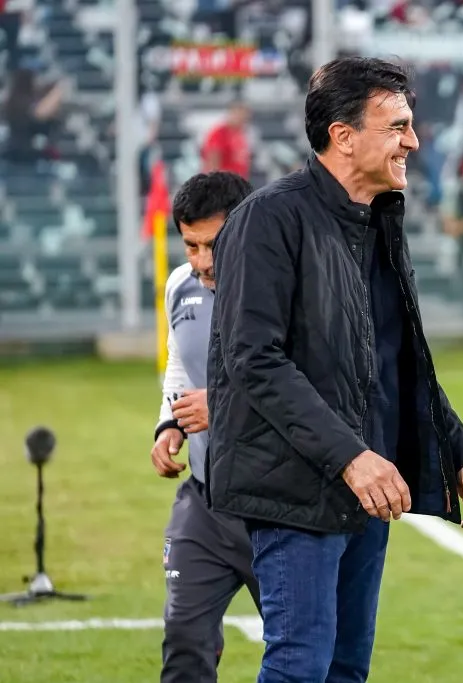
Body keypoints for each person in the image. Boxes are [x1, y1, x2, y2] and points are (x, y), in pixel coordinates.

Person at [206, 56, 463, 683]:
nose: (413, 142)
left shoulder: (380, 220)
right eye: (396, 126)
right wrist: (350, 456)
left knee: (344, 670)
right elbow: (253, 360)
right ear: (343, 136)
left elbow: (403, 358)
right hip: (298, 486)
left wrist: (460, 452)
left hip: (366, 487)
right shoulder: (268, 218)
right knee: (299, 668)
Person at [149, 171, 259, 683]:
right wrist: (170, 420)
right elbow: (180, 361)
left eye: (212, 245)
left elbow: (312, 385)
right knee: (185, 639)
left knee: (307, 656)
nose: (201, 261)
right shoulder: (180, 284)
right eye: (190, 244)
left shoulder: (285, 288)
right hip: (206, 502)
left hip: (277, 511)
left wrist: (227, 406)